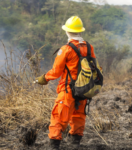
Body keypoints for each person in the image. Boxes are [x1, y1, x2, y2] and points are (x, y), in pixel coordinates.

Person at [36, 16, 97, 150]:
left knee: (59, 117)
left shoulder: (66, 49)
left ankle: (54, 146)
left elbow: (56, 71)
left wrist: (44, 78)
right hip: (84, 89)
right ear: (80, 31)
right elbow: (94, 67)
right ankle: (75, 144)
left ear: (67, 31)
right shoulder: (89, 46)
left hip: (68, 89)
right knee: (79, 116)